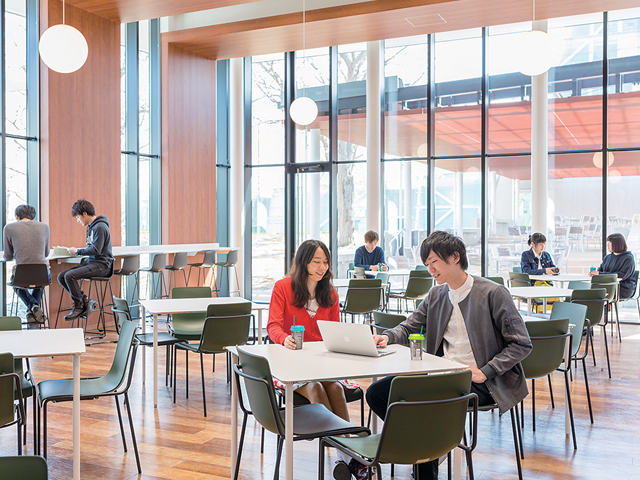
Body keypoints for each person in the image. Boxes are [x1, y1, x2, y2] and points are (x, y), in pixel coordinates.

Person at [366, 231, 532, 480]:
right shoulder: (436, 295)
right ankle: (430, 447)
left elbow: (521, 344)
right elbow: (409, 326)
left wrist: (485, 371)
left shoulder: (493, 293)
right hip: (439, 376)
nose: (430, 269)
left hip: (482, 381)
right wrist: (387, 336)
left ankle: (427, 454)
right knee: (377, 393)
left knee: (424, 409)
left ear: (455, 257)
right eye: (426, 264)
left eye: (434, 262)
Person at [267, 239, 364, 480]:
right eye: (316, 261)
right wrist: (284, 339)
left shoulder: (330, 292)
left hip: (320, 363)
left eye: (325, 262)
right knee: (317, 389)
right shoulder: (283, 287)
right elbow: (273, 326)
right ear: (303, 263)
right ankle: (349, 457)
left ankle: (347, 457)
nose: (322, 267)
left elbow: (333, 332)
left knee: (336, 389)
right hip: (290, 366)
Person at [58, 199, 114, 320]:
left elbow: (96, 250)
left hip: (102, 266)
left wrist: (77, 251)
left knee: (69, 276)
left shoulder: (99, 227)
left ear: (84, 214)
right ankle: (86, 301)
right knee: (62, 276)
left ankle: (79, 305)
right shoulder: (91, 227)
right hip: (93, 263)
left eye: (78, 217)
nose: (78, 221)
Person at [3, 204, 51, 324]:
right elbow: (46, 253)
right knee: (40, 283)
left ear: (17, 217)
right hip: (43, 274)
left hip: (21, 275)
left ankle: (33, 308)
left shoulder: (9, 228)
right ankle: (34, 311)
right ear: (33, 217)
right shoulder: (44, 227)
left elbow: (8, 256)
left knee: (16, 284)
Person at [591, 233, 636, 299]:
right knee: (592, 290)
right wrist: (595, 273)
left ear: (617, 244)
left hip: (623, 288)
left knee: (596, 292)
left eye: (610, 243)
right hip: (608, 285)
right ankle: (600, 308)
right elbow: (600, 270)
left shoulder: (628, 258)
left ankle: (601, 308)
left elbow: (621, 276)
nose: (607, 245)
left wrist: (600, 274)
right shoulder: (608, 257)